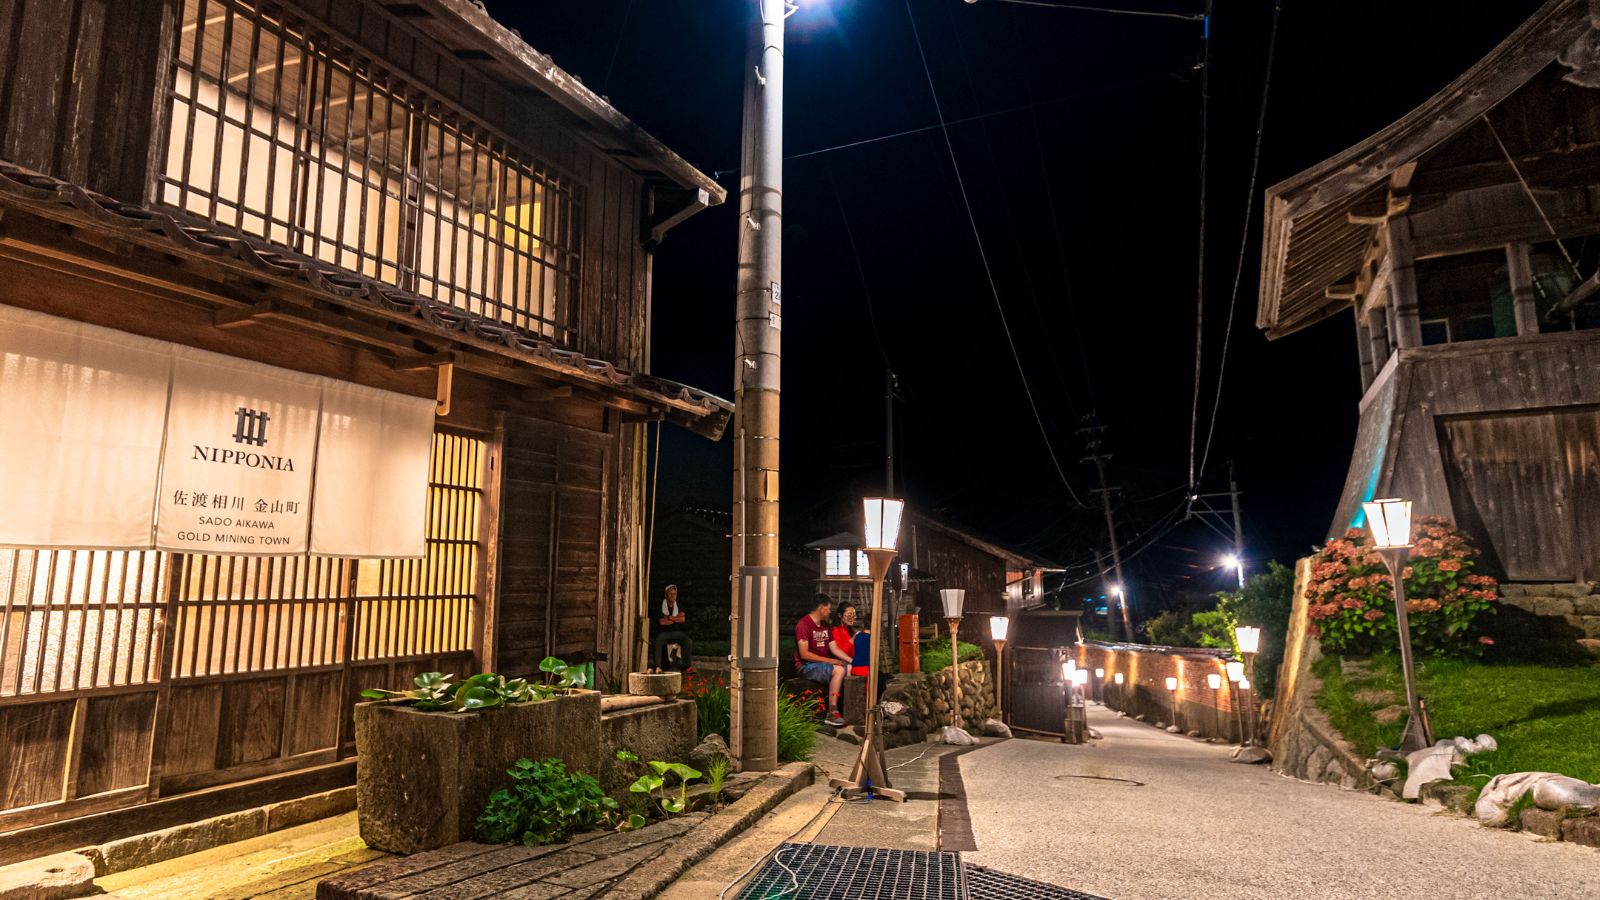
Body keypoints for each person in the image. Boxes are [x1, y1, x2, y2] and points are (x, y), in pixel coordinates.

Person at [795, 595, 846, 726]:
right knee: (839, 670)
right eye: (828, 608)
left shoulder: (825, 626)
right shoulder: (804, 624)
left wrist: (852, 660)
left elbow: (834, 649)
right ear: (821, 608)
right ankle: (832, 712)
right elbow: (804, 654)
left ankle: (847, 710)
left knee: (849, 668)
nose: (830, 611)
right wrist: (832, 661)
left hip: (822, 664)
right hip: (806, 666)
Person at [652, 585, 693, 672]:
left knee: (687, 641)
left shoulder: (679, 605)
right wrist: (676, 618)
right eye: (670, 594)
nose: (672, 596)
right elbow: (662, 622)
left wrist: (670, 618)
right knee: (658, 640)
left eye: (674, 594)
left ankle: (687, 666)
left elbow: (682, 619)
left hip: (677, 632)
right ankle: (658, 666)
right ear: (666, 595)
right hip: (664, 633)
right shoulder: (661, 606)